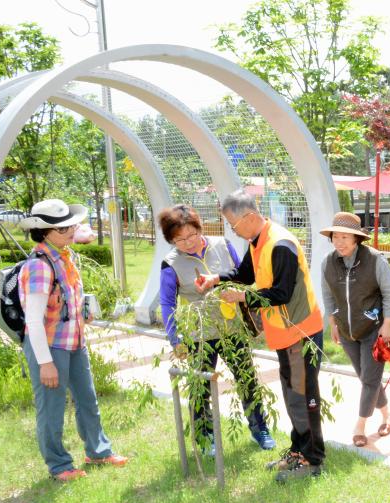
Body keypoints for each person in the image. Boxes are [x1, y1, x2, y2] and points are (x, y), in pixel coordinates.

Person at [195, 190, 325, 481]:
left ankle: (313, 461)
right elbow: (245, 273)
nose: (233, 230)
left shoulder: (280, 244)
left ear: (250, 217)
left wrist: (242, 298)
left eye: (233, 224)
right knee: (292, 396)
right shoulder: (258, 242)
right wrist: (217, 279)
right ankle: (298, 450)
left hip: (300, 332)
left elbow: (281, 293)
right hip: (282, 333)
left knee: (304, 397)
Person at [18, 199, 128, 481]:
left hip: (73, 342)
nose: (70, 230)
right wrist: (45, 363)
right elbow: (33, 320)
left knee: (87, 399)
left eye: (70, 224)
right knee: (52, 407)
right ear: (45, 232)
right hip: (50, 347)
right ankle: (59, 465)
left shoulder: (64, 257)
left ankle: (99, 451)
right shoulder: (40, 266)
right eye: (62, 227)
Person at [157, 204, 275, 456]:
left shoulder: (222, 244)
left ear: (201, 229)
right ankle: (204, 436)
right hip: (199, 335)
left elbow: (241, 276)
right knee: (201, 387)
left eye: (192, 235)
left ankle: (260, 429)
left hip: (231, 329)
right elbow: (167, 304)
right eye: (179, 240)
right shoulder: (170, 264)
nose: (188, 243)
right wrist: (175, 339)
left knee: (247, 380)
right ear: (171, 240)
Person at [320, 211, 390, 447]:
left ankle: (360, 425)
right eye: (336, 237)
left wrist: (387, 324)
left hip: (374, 329)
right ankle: (388, 415)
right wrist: (333, 324)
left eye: (345, 237)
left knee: (370, 379)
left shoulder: (375, 260)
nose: (340, 242)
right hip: (347, 331)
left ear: (356, 239)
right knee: (366, 378)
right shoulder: (328, 263)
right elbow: (328, 296)